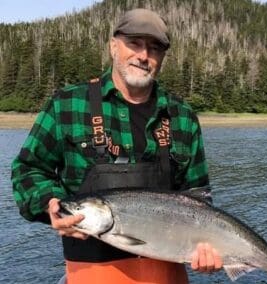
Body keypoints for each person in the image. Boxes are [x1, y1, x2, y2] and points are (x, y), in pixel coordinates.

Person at [11, 8, 222, 284]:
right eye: (134, 43)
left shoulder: (182, 116)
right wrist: (51, 202)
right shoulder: (66, 104)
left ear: (162, 58)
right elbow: (27, 170)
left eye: (154, 48)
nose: (143, 56)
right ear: (113, 46)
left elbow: (199, 199)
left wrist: (209, 249)